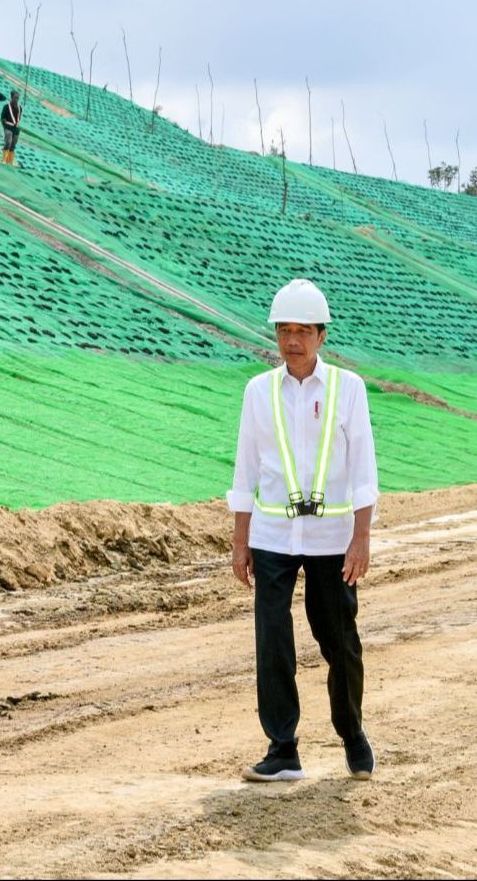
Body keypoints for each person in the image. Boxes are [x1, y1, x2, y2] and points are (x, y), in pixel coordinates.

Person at [228, 278, 378, 783]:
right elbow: (246, 468)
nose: (292, 340)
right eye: (284, 330)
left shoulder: (347, 389)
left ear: (321, 335)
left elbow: (363, 470)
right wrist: (239, 537)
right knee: (272, 641)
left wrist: (362, 537)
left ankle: (352, 734)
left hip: (332, 541)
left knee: (339, 641)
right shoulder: (258, 392)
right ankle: (282, 748)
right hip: (271, 536)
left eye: (303, 331)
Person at [1, 89, 22, 164]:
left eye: (17, 98)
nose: (16, 100)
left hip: (16, 129)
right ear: (11, 97)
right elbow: (3, 118)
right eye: (15, 98)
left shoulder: (20, 108)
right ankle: (3, 159)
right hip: (8, 127)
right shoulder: (6, 107)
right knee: (8, 142)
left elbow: (19, 118)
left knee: (13, 145)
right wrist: (5, 128)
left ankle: (9, 161)